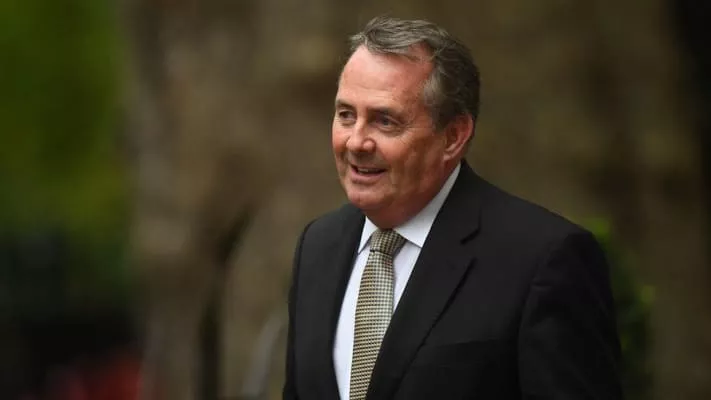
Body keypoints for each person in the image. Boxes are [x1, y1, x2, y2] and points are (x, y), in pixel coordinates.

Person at [283, 15, 622, 400]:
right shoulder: (318, 246)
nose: (356, 142)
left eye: (385, 121)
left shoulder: (542, 260)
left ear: (454, 136)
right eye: (346, 115)